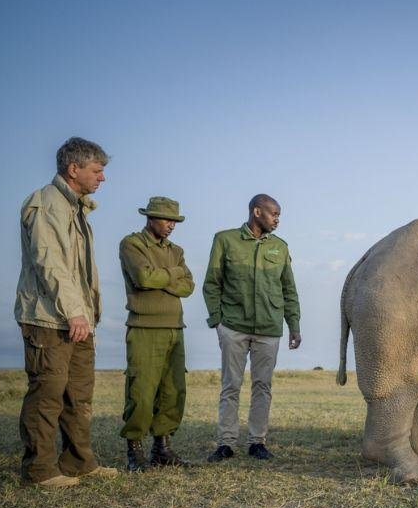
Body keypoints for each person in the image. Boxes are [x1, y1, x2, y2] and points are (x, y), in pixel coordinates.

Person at [14, 137, 119, 487]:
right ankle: (40, 470)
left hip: (78, 320)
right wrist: (75, 312)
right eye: (97, 170)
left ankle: (78, 462)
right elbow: (50, 262)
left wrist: (86, 315)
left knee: (78, 396)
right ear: (74, 169)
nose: (102, 178)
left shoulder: (76, 207)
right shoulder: (46, 204)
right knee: (48, 394)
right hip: (49, 318)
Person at [203, 194, 301, 462]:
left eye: (279, 215)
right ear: (257, 212)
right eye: (274, 214)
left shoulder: (280, 247)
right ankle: (226, 443)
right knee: (230, 385)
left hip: (269, 329)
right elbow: (212, 283)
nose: (277, 220)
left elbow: (289, 290)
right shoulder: (225, 240)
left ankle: (257, 441)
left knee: (263, 386)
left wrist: (294, 325)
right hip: (233, 327)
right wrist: (217, 321)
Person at [118, 197, 195, 471]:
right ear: (150, 218)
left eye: (174, 221)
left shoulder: (177, 250)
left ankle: (162, 449)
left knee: (174, 391)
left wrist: (162, 278)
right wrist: (173, 274)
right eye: (166, 219)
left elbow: (189, 286)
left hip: (175, 327)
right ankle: (134, 452)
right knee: (141, 391)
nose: (171, 225)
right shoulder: (133, 244)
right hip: (144, 327)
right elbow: (143, 279)